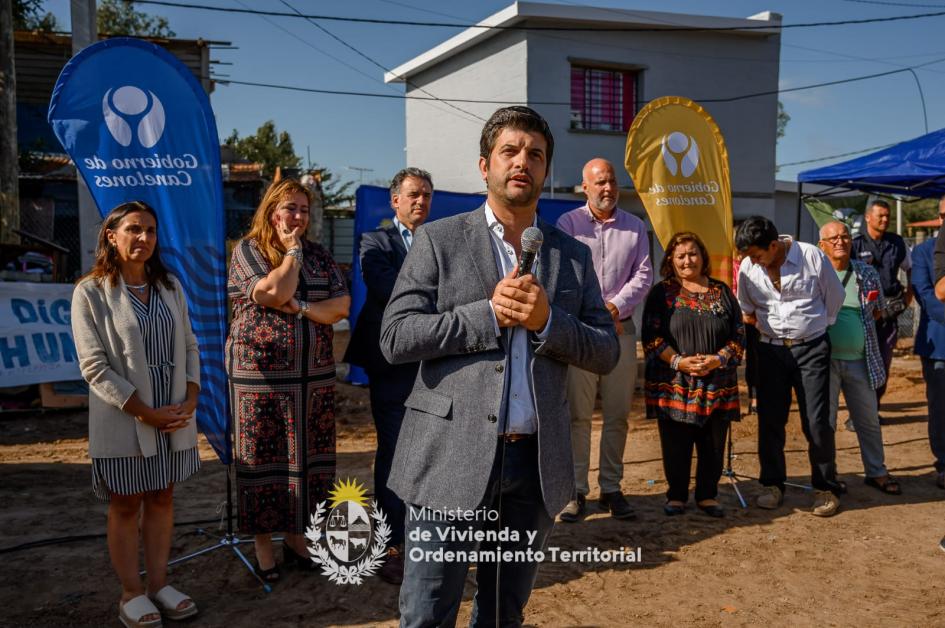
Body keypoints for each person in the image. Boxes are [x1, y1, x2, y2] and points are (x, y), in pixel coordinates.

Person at [381, 106, 620, 627]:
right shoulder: (438, 240)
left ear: (546, 171)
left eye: (535, 154)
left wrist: (546, 321)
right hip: (449, 457)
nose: (522, 162)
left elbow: (605, 350)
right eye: (510, 151)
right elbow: (395, 338)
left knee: (501, 614)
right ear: (484, 164)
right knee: (426, 613)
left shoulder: (573, 256)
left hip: (532, 466)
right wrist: (487, 314)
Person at [71, 201, 201, 627]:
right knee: (126, 503)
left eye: (150, 230)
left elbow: (190, 346)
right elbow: (93, 367)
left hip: (174, 418)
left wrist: (193, 397)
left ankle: (160, 584)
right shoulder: (90, 292)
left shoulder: (169, 286)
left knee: (163, 496)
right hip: (125, 420)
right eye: (133, 229)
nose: (143, 238)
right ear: (112, 235)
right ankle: (131, 593)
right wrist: (145, 412)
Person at [227, 178, 350, 583]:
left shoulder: (320, 254)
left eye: (303, 209)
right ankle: (264, 548)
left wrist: (302, 310)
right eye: (289, 208)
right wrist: (292, 256)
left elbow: (340, 307)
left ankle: (298, 541)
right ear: (271, 211)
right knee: (265, 462)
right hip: (260, 381)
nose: (297, 216)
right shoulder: (249, 250)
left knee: (307, 464)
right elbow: (272, 294)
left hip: (312, 379)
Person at [343, 167, 433, 584]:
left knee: (430, 451)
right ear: (395, 200)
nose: (421, 202)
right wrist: (437, 295)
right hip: (392, 365)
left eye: (427, 196)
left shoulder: (439, 241)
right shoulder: (374, 241)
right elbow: (388, 288)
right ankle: (393, 543)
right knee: (395, 451)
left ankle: (424, 537)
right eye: (414, 194)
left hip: (433, 363)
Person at [555, 157, 652, 522]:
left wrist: (614, 307)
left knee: (617, 415)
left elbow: (643, 275)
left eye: (611, 181)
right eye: (599, 183)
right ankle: (576, 491)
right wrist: (596, 312)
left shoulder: (635, 227)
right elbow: (565, 274)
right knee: (578, 417)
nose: (607, 188)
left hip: (621, 332)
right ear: (585, 187)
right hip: (582, 333)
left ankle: (611, 488)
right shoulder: (568, 224)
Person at [735, 215, 845, 516]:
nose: (754, 262)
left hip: (812, 349)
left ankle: (825, 488)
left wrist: (815, 329)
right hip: (770, 352)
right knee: (770, 421)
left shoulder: (811, 256)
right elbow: (747, 309)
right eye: (749, 257)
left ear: (774, 245)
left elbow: (835, 298)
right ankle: (772, 484)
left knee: (817, 421)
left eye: (757, 255)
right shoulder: (748, 268)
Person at [642, 232, 744, 518]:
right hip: (674, 382)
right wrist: (679, 362)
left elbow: (738, 334)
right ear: (671, 261)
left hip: (717, 381)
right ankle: (676, 495)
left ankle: (707, 495)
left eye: (693, 253)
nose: (688, 260)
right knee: (676, 441)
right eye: (681, 256)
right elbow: (651, 337)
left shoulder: (723, 291)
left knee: (713, 441)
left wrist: (718, 359)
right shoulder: (661, 293)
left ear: (703, 256)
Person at [818, 221, 901, 495]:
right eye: (833, 238)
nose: (840, 242)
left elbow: (876, 311)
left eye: (844, 237)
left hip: (860, 360)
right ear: (822, 245)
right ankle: (827, 477)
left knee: (868, 419)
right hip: (824, 362)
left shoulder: (866, 273)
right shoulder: (815, 275)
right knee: (826, 422)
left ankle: (876, 471)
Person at [851, 200, 913, 411]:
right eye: (881, 216)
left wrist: (907, 297)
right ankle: (859, 410)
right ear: (868, 217)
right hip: (863, 314)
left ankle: (874, 407)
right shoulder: (856, 244)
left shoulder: (897, 243)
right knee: (860, 363)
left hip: (888, 313)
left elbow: (910, 269)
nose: (885, 219)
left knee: (883, 362)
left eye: (888, 216)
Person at [911, 197, 945, 490]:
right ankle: (943, 464)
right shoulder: (922, 251)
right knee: (940, 407)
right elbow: (926, 295)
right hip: (938, 344)